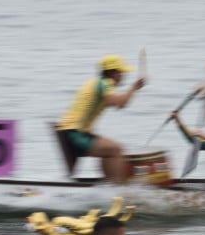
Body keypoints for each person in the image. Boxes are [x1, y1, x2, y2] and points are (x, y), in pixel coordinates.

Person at [56, 55, 146, 183]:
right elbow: (120, 104)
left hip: (73, 132)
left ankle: (110, 185)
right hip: (75, 135)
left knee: (110, 148)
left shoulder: (95, 82)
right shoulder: (104, 84)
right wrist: (134, 88)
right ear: (112, 73)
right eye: (122, 72)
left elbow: (116, 104)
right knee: (116, 149)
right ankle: (117, 188)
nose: (124, 75)